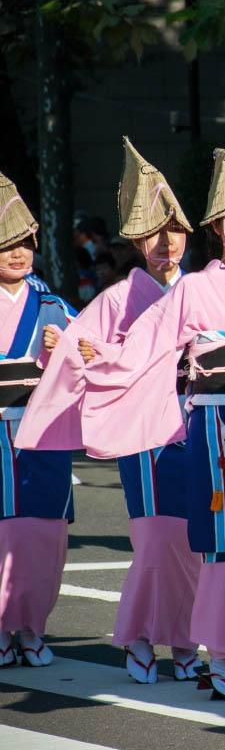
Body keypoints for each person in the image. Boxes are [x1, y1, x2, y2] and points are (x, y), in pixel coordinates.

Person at [72, 149, 225, 701]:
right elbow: (149, 344)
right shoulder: (192, 289)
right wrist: (104, 357)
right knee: (222, 546)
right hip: (214, 425)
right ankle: (221, 653)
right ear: (215, 226)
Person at [17, 138, 202, 683]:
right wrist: (68, 349)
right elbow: (78, 349)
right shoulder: (121, 297)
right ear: (138, 241)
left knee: (194, 540)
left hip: (198, 422)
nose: (167, 242)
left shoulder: (202, 289)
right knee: (156, 539)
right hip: (141, 427)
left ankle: (185, 639)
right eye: (155, 233)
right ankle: (140, 634)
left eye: (176, 231)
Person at [0, 172, 76, 668]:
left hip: (43, 431)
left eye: (25, 243)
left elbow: (92, 355)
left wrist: (65, 348)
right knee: (4, 535)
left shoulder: (54, 305)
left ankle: (32, 627)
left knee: (45, 534)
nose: (18, 253)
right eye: (7, 244)